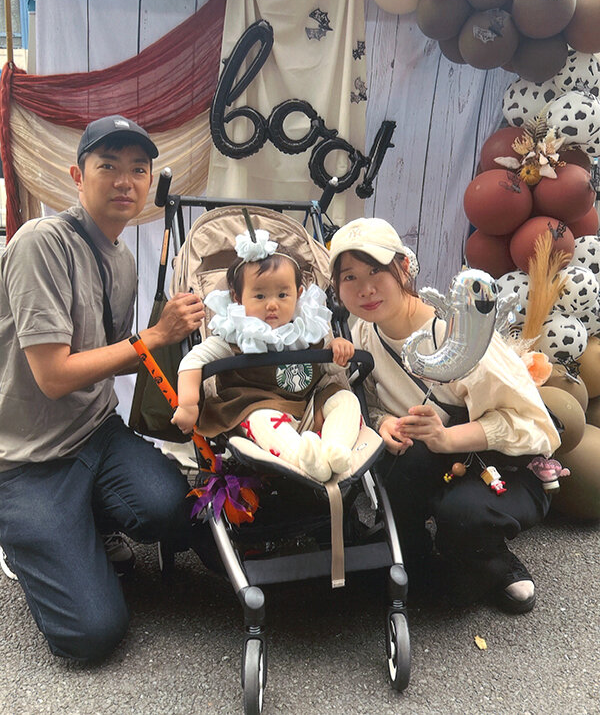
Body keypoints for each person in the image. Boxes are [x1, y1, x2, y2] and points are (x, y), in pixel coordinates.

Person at [0, 115, 205, 661]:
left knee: (173, 508)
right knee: (92, 635)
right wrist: (155, 336)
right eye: (108, 166)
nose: (124, 181)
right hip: (27, 459)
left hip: (94, 432)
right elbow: (54, 377)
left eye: (138, 170)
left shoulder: (122, 259)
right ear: (77, 175)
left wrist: (203, 350)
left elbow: (112, 360)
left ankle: (83, 523)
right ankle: (26, 542)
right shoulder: (42, 243)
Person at [329, 217, 560, 614]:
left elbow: (537, 428)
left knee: (462, 516)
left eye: (375, 271)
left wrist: (447, 438)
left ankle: (491, 558)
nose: (365, 289)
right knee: (392, 465)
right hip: (433, 462)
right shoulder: (364, 332)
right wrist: (384, 423)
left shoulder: (460, 334)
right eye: (349, 277)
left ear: (404, 268)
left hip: (500, 466)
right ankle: (414, 556)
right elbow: (368, 401)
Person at [172, 227, 360, 483]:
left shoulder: (308, 330)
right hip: (257, 409)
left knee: (345, 399)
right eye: (259, 296)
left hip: (308, 408)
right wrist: (188, 405)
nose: (272, 304)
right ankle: (306, 460)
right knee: (261, 419)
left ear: (299, 294)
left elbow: (329, 370)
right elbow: (193, 361)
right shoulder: (234, 337)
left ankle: (335, 449)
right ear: (238, 299)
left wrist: (337, 352)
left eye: (283, 295)